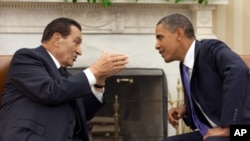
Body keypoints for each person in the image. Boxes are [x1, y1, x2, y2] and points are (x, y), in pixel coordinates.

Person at [0, 17, 128, 141]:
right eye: (76, 42)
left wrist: (99, 82)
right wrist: (94, 71)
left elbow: (84, 113)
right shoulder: (27, 58)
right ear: (57, 39)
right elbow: (50, 91)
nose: (80, 51)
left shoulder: (67, 78)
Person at [155, 13, 250, 141]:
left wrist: (229, 127)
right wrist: (186, 108)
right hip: (210, 131)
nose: (157, 45)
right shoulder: (184, 65)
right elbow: (211, 91)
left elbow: (238, 69)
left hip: (241, 131)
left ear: (179, 34)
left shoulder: (211, 49)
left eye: (160, 38)